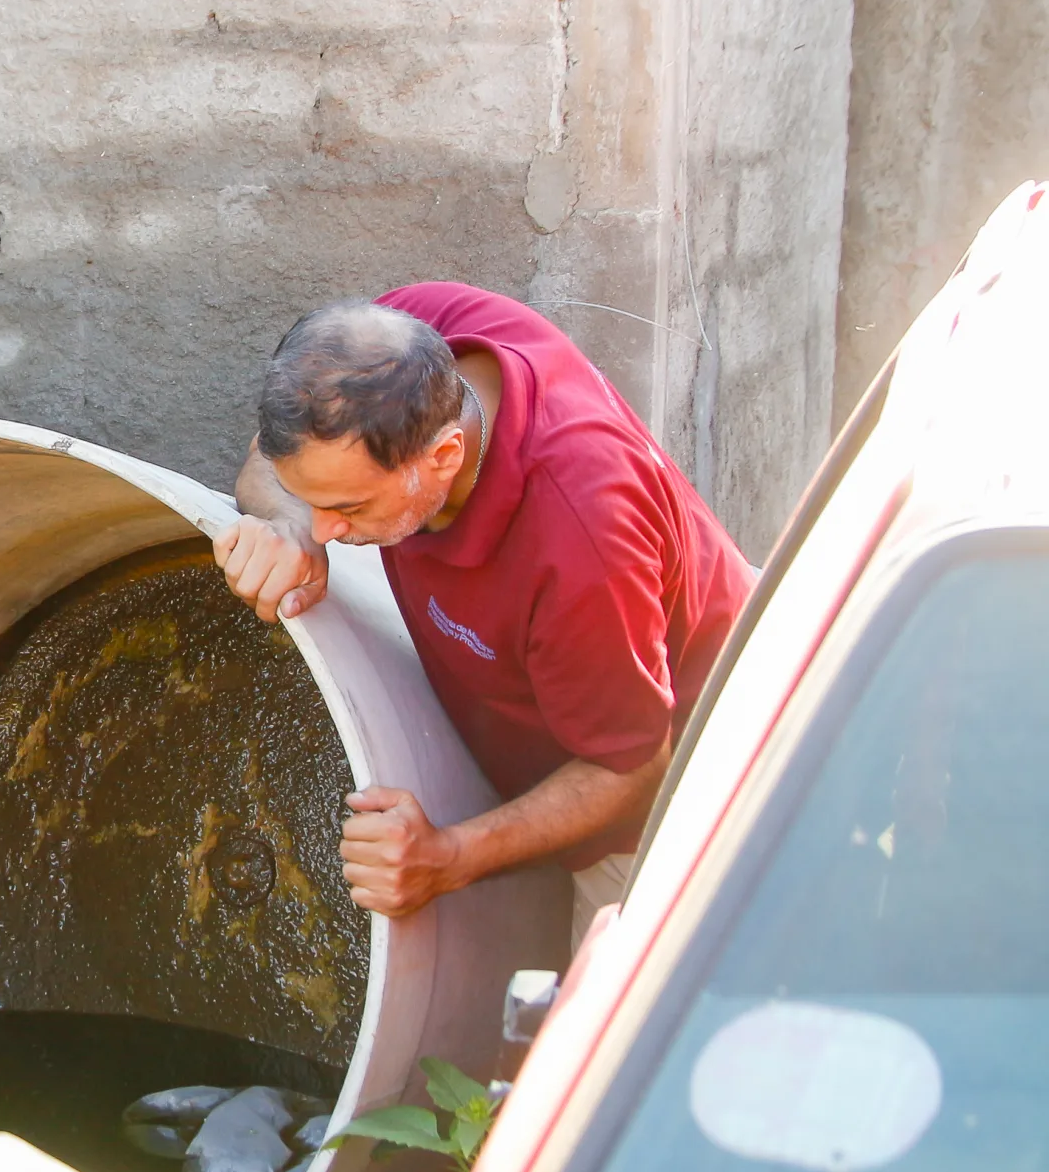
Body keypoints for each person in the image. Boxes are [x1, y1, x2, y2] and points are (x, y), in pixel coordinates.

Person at [207, 285, 757, 943]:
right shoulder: (397, 348)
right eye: (312, 500)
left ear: (443, 457)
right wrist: (288, 519)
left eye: (349, 508)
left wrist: (448, 857)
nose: (326, 531)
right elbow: (272, 456)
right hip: (554, 713)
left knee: (594, 1026)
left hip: (681, 790)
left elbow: (632, 768)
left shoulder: (581, 543)